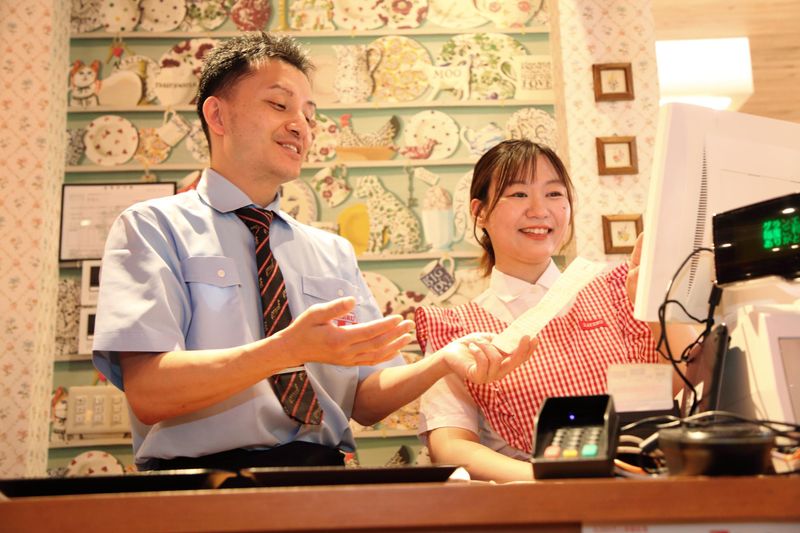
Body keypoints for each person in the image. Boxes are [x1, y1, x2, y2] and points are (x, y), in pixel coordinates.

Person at [92, 32, 535, 472]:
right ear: (217, 115)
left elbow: (365, 400)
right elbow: (150, 393)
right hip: (201, 487)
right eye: (279, 105)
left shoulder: (331, 251)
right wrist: (284, 350)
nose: (300, 126)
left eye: (309, 114)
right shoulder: (152, 227)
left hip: (323, 480)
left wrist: (442, 361)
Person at [415, 139, 687, 482]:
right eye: (518, 194)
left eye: (554, 194)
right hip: (533, 501)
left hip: (641, 490)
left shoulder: (617, 288)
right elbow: (451, 445)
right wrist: (551, 480)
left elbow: (681, 381)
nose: (539, 209)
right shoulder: (456, 330)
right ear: (479, 212)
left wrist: (659, 301)